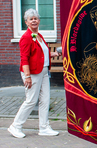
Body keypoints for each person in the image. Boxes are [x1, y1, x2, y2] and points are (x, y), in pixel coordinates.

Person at [8, 9, 60, 138]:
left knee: (45, 100)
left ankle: (44, 127)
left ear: (39, 21)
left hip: (43, 71)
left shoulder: (39, 36)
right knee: (31, 101)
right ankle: (16, 126)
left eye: (35, 18)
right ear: (26, 22)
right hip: (32, 73)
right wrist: (27, 76)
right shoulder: (26, 38)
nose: (34, 20)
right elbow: (24, 58)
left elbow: (41, 54)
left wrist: (54, 54)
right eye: (31, 19)